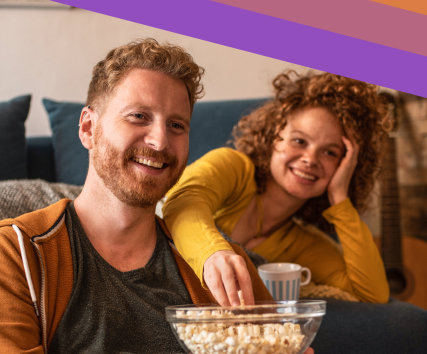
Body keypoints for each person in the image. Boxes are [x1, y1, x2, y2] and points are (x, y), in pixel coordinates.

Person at [0, 38, 278, 353]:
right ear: (89, 128)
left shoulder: (224, 270)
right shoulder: (14, 255)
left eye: (176, 125)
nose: (159, 141)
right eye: (139, 116)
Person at [163, 72, 392, 307]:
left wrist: (340, 198)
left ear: (344, 166)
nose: (310, 159)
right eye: (300, 141)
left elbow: (372, 294)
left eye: (330, 152)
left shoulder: (305, 244)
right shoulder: (233, 167)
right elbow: (181, 201)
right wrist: (213, 254)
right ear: (274, 137)